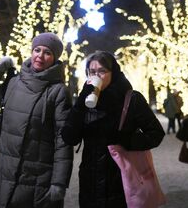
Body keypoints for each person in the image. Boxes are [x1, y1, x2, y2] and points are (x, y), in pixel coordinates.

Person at [0, 32, 73, 208]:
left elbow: (63, 140)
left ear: (55, 58)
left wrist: (59, 182)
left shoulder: (58, 91)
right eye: (37, 50)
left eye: (47, 53)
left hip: (38, 177)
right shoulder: (14, 82)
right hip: (6, 172)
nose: (40, 56)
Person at [61, 50, 165, 207]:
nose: (97, 76)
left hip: (122, 180)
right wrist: (80, 104)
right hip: (91, 181)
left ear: (113, 73)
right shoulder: (85, 101)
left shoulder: (131, 99)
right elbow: (69, 137)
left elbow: (156, 133)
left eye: (102, 71)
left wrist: (126, 140)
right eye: (92, 72)